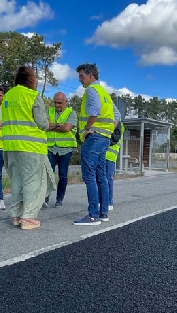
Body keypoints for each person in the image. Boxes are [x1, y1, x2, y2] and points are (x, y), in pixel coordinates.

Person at [2, 66, 53, 230]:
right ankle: (28, 217)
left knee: (16, 181)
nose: (37, 81)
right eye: (35, 78)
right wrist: (46, 120)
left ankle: (16, 215)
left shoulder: (8, 95)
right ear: (30, 79)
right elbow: (43, 123)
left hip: (10, 145)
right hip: (30, 146)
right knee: (32, 181)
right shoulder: (32, 95)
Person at [73, 63, 121, 226]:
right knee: (101, 176)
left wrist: (87, 129)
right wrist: (108, 130)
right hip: (104, 139)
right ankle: (103, 213)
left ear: (91, 75)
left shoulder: (92, 90)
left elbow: (94, 110)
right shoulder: (105, 93)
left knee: (89, 176)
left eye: (82, 76)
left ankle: (93, 215)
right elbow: (117, 115)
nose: (80, 80)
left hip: (94, 139)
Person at [44, 91, 77, 208]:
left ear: (66, 102)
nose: (57, 105)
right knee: (48, 174)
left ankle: (59, 199)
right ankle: (45, 198)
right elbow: (45, 125)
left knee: (63, 175)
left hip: (66, 149)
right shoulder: (48, 111)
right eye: (55, 102)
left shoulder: (71, 113)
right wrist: (60, 125)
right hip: (50, 148)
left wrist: (53, 125)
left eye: (60, 103)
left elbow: (67, 128)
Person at [100, 123, 124, 212]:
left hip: (110, 156)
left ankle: (109, 202)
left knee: (108, 179)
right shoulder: (109, 121)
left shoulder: (118, 124)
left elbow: (114, 138)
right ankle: (102, 201)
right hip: (103, 154)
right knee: (102, 179)